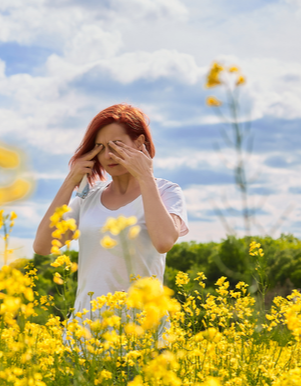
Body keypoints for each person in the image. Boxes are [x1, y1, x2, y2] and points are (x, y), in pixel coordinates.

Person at [33, 104, 189, 340]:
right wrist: (70, 182)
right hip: (85, 334)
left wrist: (145, 176)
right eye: (101, 148)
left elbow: (164, 241)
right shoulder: (88, 198)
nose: (108, 156)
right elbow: (43, 246)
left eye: (117, 145)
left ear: (140, 143)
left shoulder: (166, 191)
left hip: (143, 333)